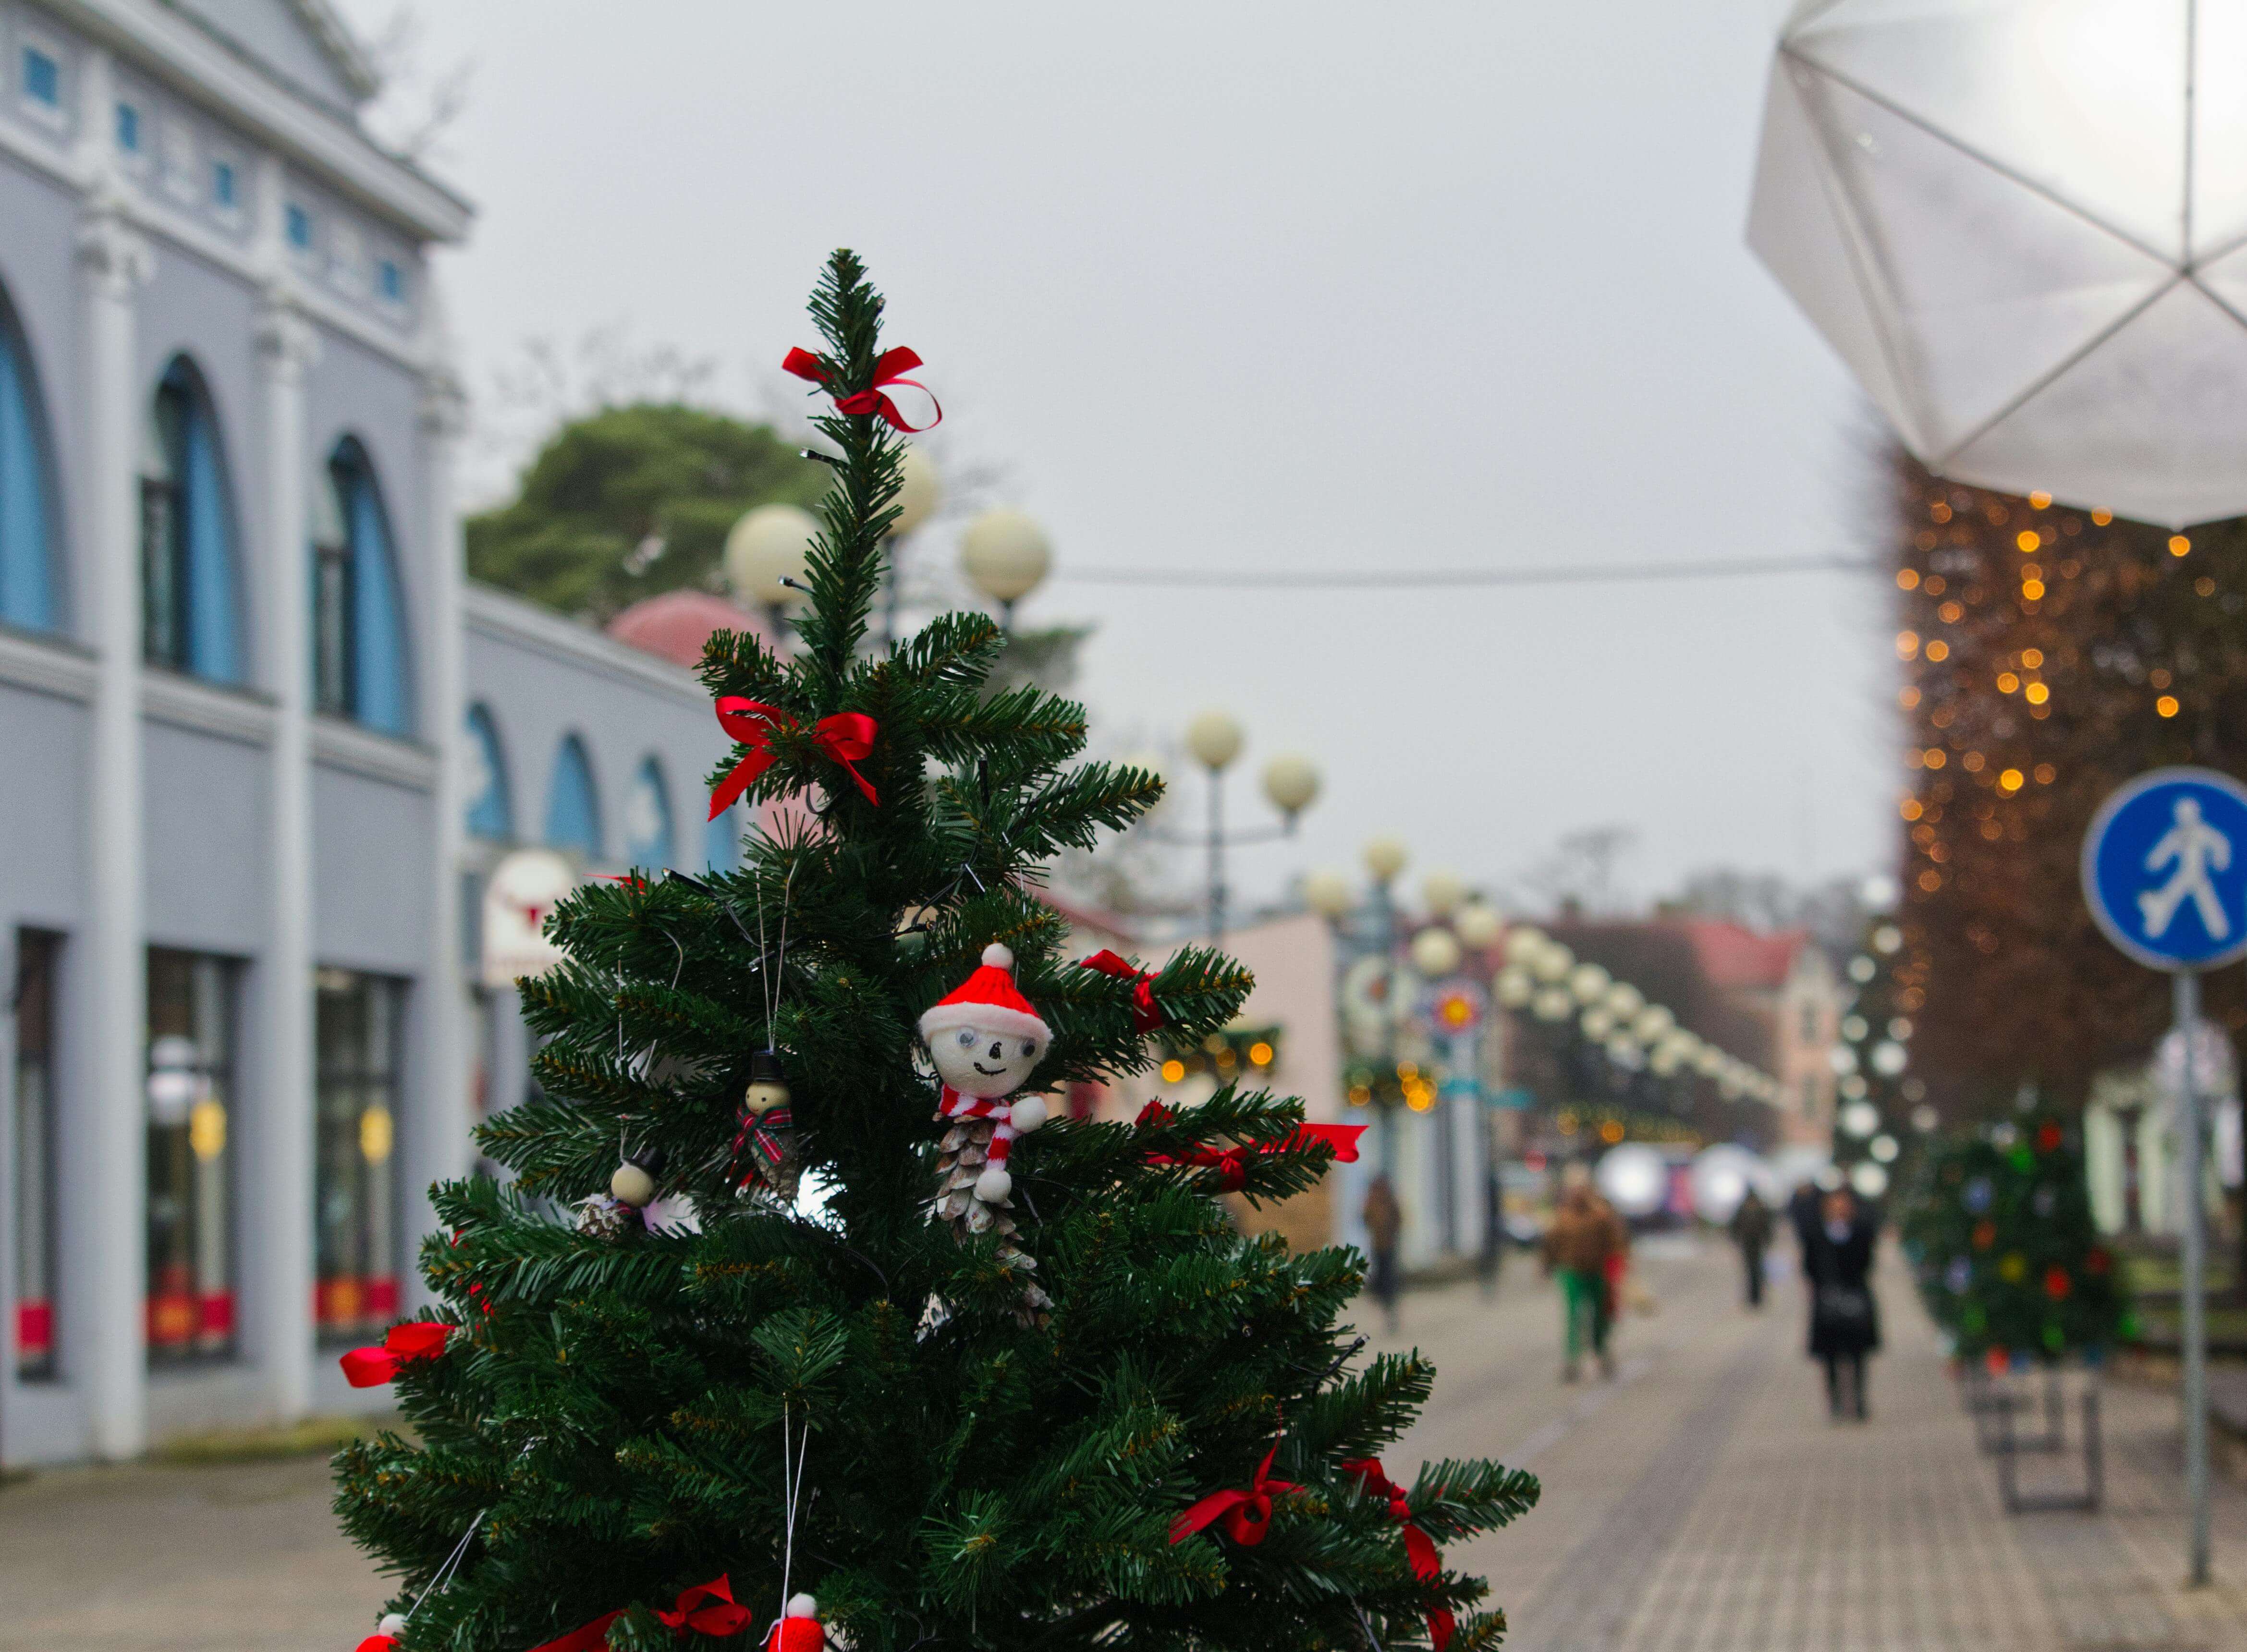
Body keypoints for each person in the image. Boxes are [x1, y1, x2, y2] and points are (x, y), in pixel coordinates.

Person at [1803, 1186, 1880, 1421]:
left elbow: (1867, 1262)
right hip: (1827, 1299)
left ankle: (1858, 1399)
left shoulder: (1861, 1230)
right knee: (1830, 1355)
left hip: (1855, 1296)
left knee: (1858, 1354)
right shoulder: (1816, 1231)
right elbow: (1809, 1265)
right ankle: (1835, 1401)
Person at [1542, 1174, 1629, 1381]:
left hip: (1598, 1272)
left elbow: (1617, 1243)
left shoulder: (1602, 1217)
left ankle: (1601, 1350)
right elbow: (1551, 1244)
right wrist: (1547, 1266)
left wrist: (1619, 1266)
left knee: (1601, 1314)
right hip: (1572, 1272)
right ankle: (1572, 1359)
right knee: (1574, 1315)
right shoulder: (1563, 1218)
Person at [1362, 1174, 1403, 1331]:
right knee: (1381, 1275)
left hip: (1389, 1246)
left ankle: (1390, 1308)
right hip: (1378, 1246)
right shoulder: (1373, 1201)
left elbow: (1399, 1219)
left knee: (1389, 1277)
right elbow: (1365, 1219)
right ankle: (1384, 1302)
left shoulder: (1388, 1201)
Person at [1729, 1186, 1774, 1309]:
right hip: (1748, 1243)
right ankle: (1752, 1297)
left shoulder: (1759, 1208)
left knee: (1757, 1270)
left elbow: (1766, 1225)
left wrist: (1768, 1239)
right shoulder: (1744, 1208)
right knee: (1751, 1271)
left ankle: (1757, 1297)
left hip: (1757, 1243)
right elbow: (1736, 1225)